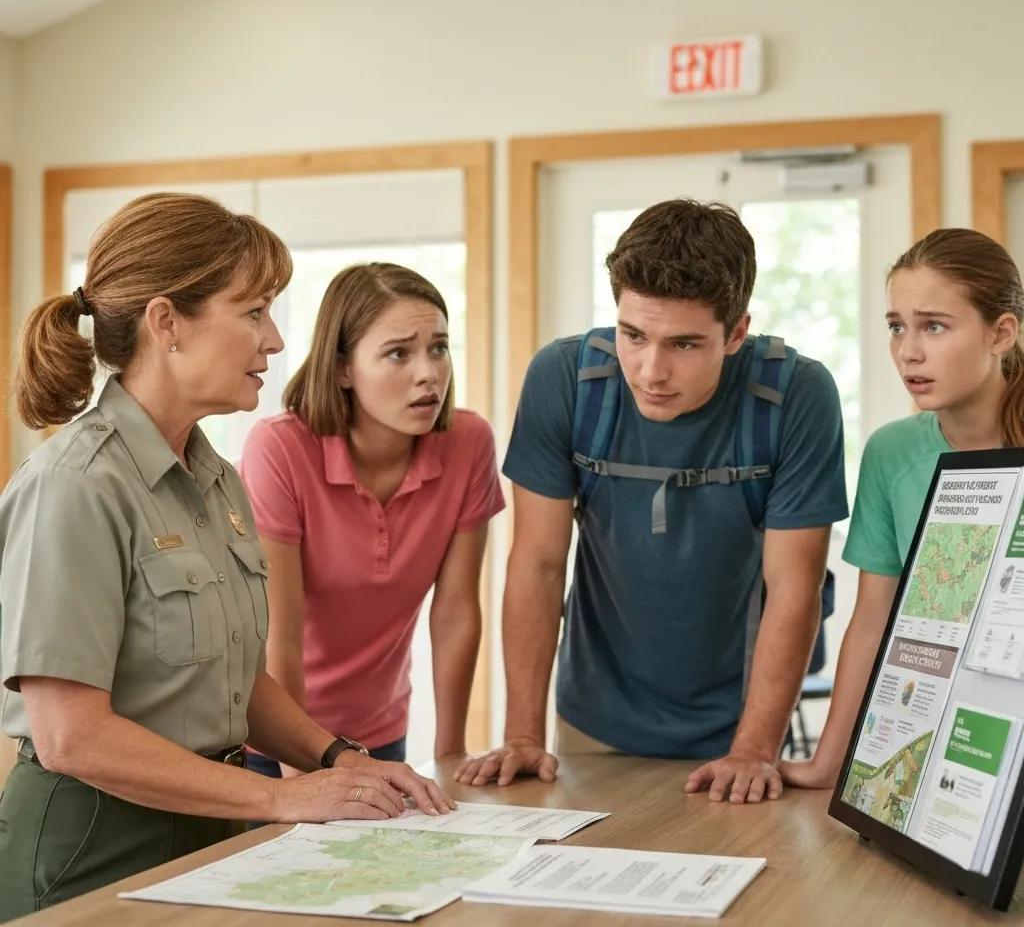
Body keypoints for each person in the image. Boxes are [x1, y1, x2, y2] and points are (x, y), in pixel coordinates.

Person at [0, 194, 452, 922]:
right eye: (253, 313)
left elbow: (237, 681)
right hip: (89, 850)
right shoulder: (74, 486)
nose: (275, 341)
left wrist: (340, 759)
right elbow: (70, 737)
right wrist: (281, 796)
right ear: (167, 323)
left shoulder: (217, 480)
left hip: (210, 828)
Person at [456, 199, 849, 803]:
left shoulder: (797, 394)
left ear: (737, 332)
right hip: (594, 721)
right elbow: (537, 562)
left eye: (685, 345)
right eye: (633, 335)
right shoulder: (564, 379)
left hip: (740, 731)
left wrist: (753, 749)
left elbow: (794, 588)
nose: (650, 370)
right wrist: (522, 734)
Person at [780, 227, 1024, 789]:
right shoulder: (890, 453)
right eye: (897, 327)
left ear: (1001, 333)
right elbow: (871, 622)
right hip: (948, 744)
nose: (908, 351)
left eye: (934, 326)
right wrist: (827, 762)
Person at [241, 263, 504, 777]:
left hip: (380, 737)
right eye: (398, 353)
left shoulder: (469, 443)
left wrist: (451, 756)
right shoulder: (280, 448)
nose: (428, 373)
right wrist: (303, 777)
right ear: (342, 368)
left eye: (439, 348)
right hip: (273, 745)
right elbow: (279, 634)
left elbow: (454, 613)